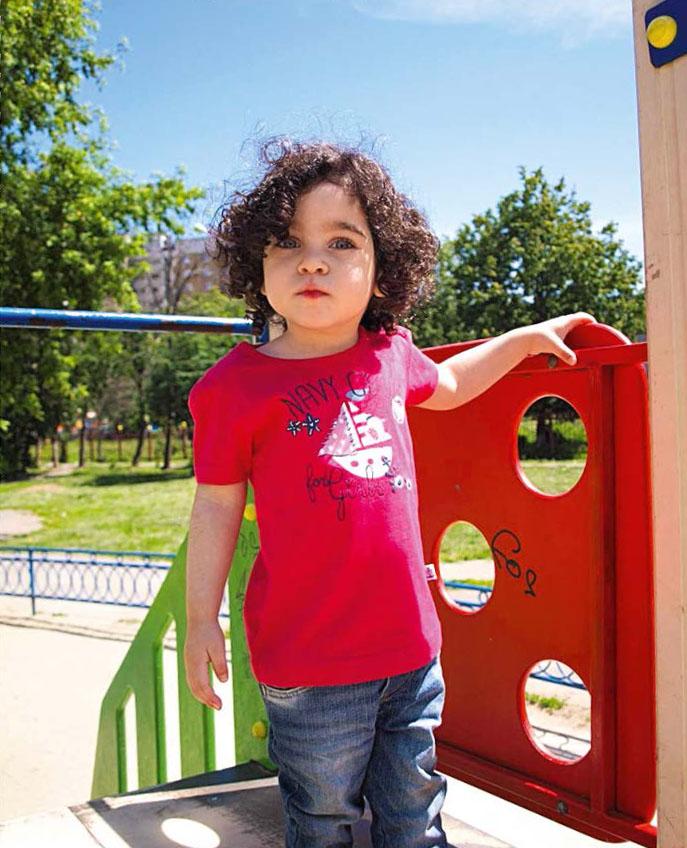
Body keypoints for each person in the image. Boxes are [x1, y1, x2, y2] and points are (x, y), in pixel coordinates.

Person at [184, 138, 596, 848]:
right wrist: (199, 619)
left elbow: (453, 383)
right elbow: (216, 504)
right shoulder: (232, 390)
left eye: (341, 242)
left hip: (410, 652)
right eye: (288, 241)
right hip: (308, 666)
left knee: (415, 814)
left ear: (381, 271)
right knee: (322, 818)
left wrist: (523, 339)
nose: (312, 261)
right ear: (258, 264)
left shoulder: (390, 354)